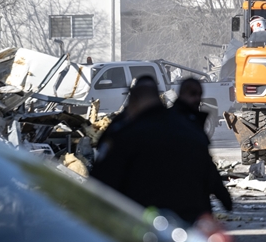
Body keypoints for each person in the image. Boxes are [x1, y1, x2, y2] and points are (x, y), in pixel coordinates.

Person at [91, 77, 232, 225]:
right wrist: (225, 199)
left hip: (146, 221)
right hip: (191, 218)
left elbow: (103, 179)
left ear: (134, 100)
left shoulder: (125, 133)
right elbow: (207, 168)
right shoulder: (187, 128)